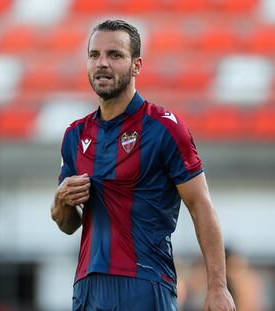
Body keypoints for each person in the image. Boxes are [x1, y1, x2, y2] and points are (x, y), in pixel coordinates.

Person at [51, 20, 235, 311]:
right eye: (94, 55)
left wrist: (218, 287)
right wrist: (61, 201)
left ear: (136, 65)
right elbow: (69, 224)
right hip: (88, 287)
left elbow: (201, 205)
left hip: (146, 283)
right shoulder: (75, 135)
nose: (102, 63)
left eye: (114, 55)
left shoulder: (163, 128)